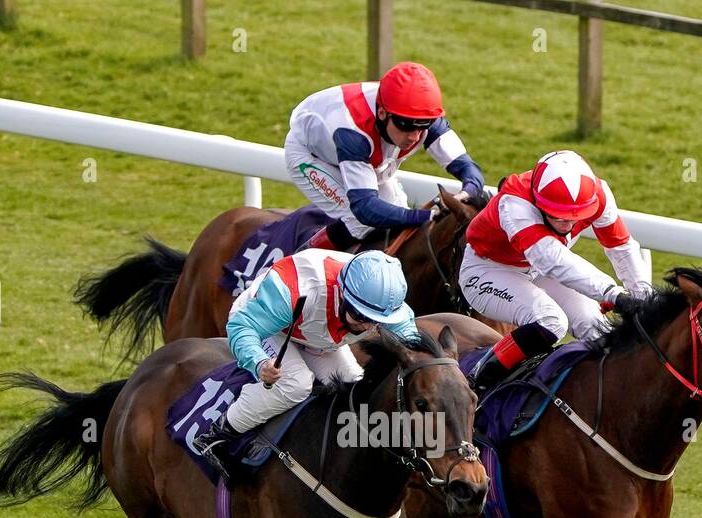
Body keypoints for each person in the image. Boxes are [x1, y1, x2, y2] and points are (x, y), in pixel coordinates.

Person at [191, 250, 420, 470]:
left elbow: (410, 337)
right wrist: (259, 362)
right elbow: (242, 327)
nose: (368, 327)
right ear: (342, 293)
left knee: (358, 391)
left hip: (317, 336)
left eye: (376, 320)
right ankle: (217, 434)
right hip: (267, 326)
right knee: (296, 384)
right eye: (361, 316)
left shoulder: (382, 298)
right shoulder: (294, 289)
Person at [460, 149, 652, 393]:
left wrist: (644, 297)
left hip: (539, 272)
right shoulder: (515, 203)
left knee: (595, 326)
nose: (569, 224)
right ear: (539, 203)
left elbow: (620, 247)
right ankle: (474, 385)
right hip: (488, 270)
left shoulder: (597, 194)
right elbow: (552, 260)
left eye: (577, 217)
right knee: (551, 321)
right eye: (560, 218)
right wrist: (612, 293)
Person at [283, 61, 486, 252]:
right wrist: (428, 216)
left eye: (423, 126)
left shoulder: (419, 116)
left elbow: (470, 170)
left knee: (398, 219)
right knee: (360, 223)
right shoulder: (354, 133)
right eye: (405, 125)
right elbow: (366, 209)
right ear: (382, 113)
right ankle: (292, 267)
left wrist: (467, 192)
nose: (414, 137)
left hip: (367, 158)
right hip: (310, 154)